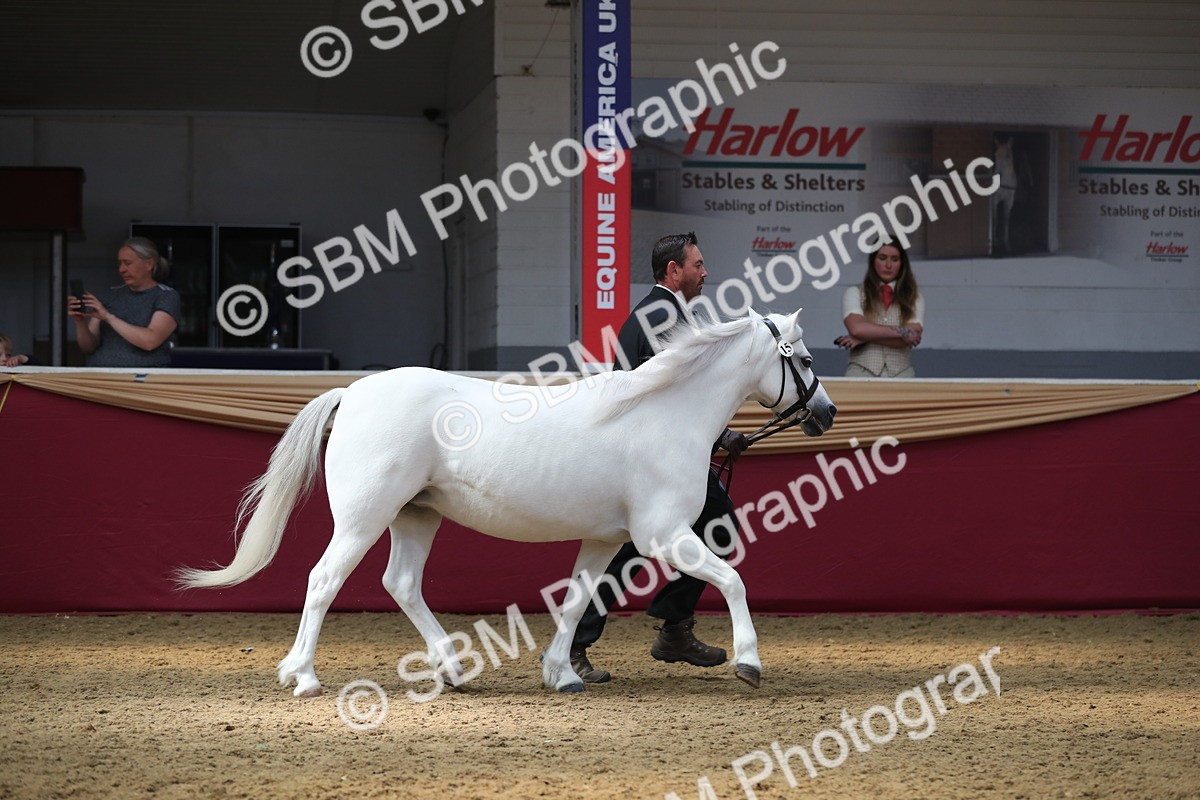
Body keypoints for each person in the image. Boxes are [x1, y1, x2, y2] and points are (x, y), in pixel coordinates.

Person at [570, 231, 750, 684]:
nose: (705, 273)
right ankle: (667, 625)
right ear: (674, 270)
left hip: (645, 455)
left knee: (628, 550)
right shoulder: (664, 315)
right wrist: (721, 434)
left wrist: (719, 435)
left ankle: (637, 632)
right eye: (698, 264)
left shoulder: (656, 312)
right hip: (654, 460)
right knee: (715, 527)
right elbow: (673, 397)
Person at [68, 237, 181, 367]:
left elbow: (150, 341)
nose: (121, 269)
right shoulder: (111, 294)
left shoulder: (166, 295)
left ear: (149, 264)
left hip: (140, 381)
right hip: (101, 378)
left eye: (127, 263)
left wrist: (108, 317)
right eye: (120, 263)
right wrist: (80, 322)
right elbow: (88, 348)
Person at [835, 241, 925, 377]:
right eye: (882, 258)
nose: (888, 265)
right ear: (873, 261)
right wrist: (903, 333)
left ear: (902, 263)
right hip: (861, 373)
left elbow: (913, 336)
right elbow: (856, 329)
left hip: (902, 374)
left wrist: (863, 337)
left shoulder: (915, 297)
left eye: (895, 259)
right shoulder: (855, 292)